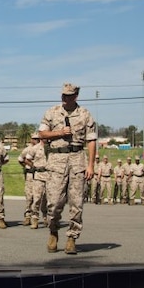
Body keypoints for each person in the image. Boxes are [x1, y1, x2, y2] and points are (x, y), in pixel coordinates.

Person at [38, 82, 97, 254]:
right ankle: (53, 230)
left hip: (77, 159)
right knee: (54, 202)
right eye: (63, 95)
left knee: (77, 202)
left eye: (68, 95)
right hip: (57, 159)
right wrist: (59, 133)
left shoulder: (85, 114)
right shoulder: (52, 112)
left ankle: (72, 237)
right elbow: (41, 133)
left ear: (76, 96)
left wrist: (91, 165)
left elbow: (91, 140)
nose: (65, 98)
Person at [18, 132, 47, 227]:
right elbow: (21, 160)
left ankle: (46, 217)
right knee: (30, 196)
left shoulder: (46, 147)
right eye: (34, 139)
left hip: (43, 174)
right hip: (31, 174)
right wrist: (29, 167)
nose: (36, 140)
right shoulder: (28, 149)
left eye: (37, 139)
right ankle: (28, 216)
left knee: (44, 198)